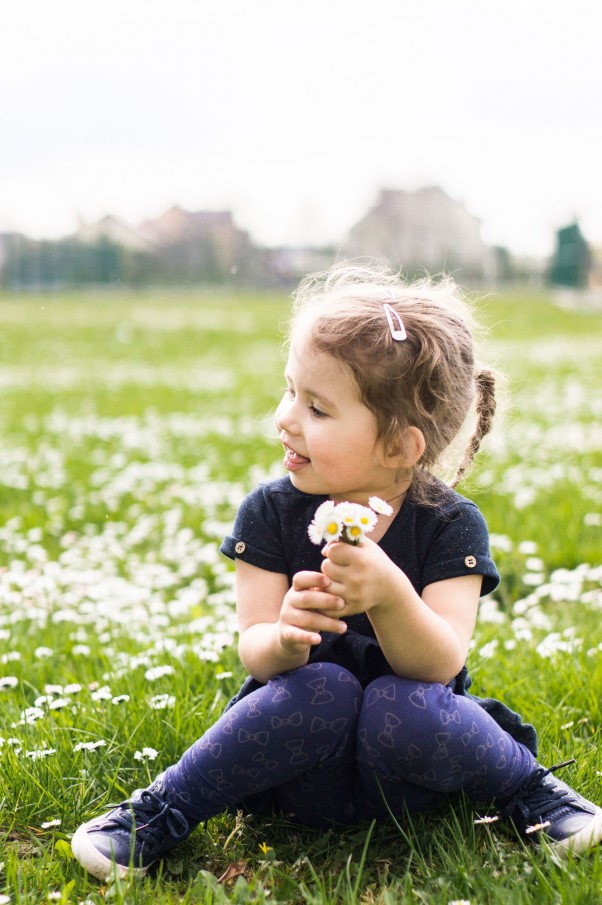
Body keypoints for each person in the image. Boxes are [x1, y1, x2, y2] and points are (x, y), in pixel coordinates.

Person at [71, 261, 602, 881]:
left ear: (399, 447)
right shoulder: (270, 511)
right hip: (297, 768)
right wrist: (285, 637)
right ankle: (160, 812)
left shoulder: (449, 524)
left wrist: (390, 595)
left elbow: (441, 665)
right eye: (290, 390)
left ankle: (531, 793)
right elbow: (254, 652)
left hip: (408, 771)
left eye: (318, 408)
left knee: (399, 703)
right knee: (322, 691)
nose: (286, 418)